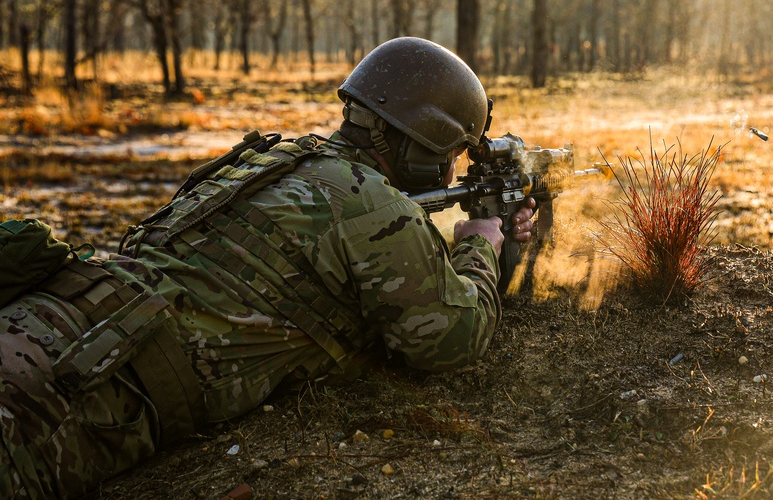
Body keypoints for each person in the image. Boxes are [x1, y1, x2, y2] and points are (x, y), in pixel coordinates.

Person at [0, 36, 536, 499]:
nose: (450, 169)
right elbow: (451, 339)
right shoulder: (373, 204)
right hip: (84, 386)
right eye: (451, 153)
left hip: (52, 313)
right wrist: (480, 244)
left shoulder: (276, 158)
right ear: (422, 144)